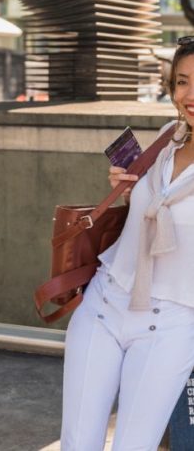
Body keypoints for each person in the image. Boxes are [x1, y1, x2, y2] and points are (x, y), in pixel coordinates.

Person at [61, 36, 194, 450]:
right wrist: (127, 191)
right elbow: (147, 213)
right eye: (183, 82)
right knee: (77, 444)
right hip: (104, 304)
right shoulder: (167, 137)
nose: (189, 95)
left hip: (171, 323)